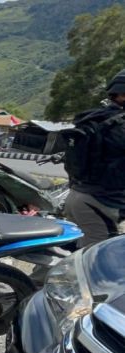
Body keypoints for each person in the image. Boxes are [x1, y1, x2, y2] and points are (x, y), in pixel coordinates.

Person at [63, 68, 125, 248]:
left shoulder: (95, 117)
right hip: (99, 203)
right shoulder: (120, 126)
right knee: (96, 258)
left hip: (77, 195)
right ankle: (39, 277)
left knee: (77, 251)